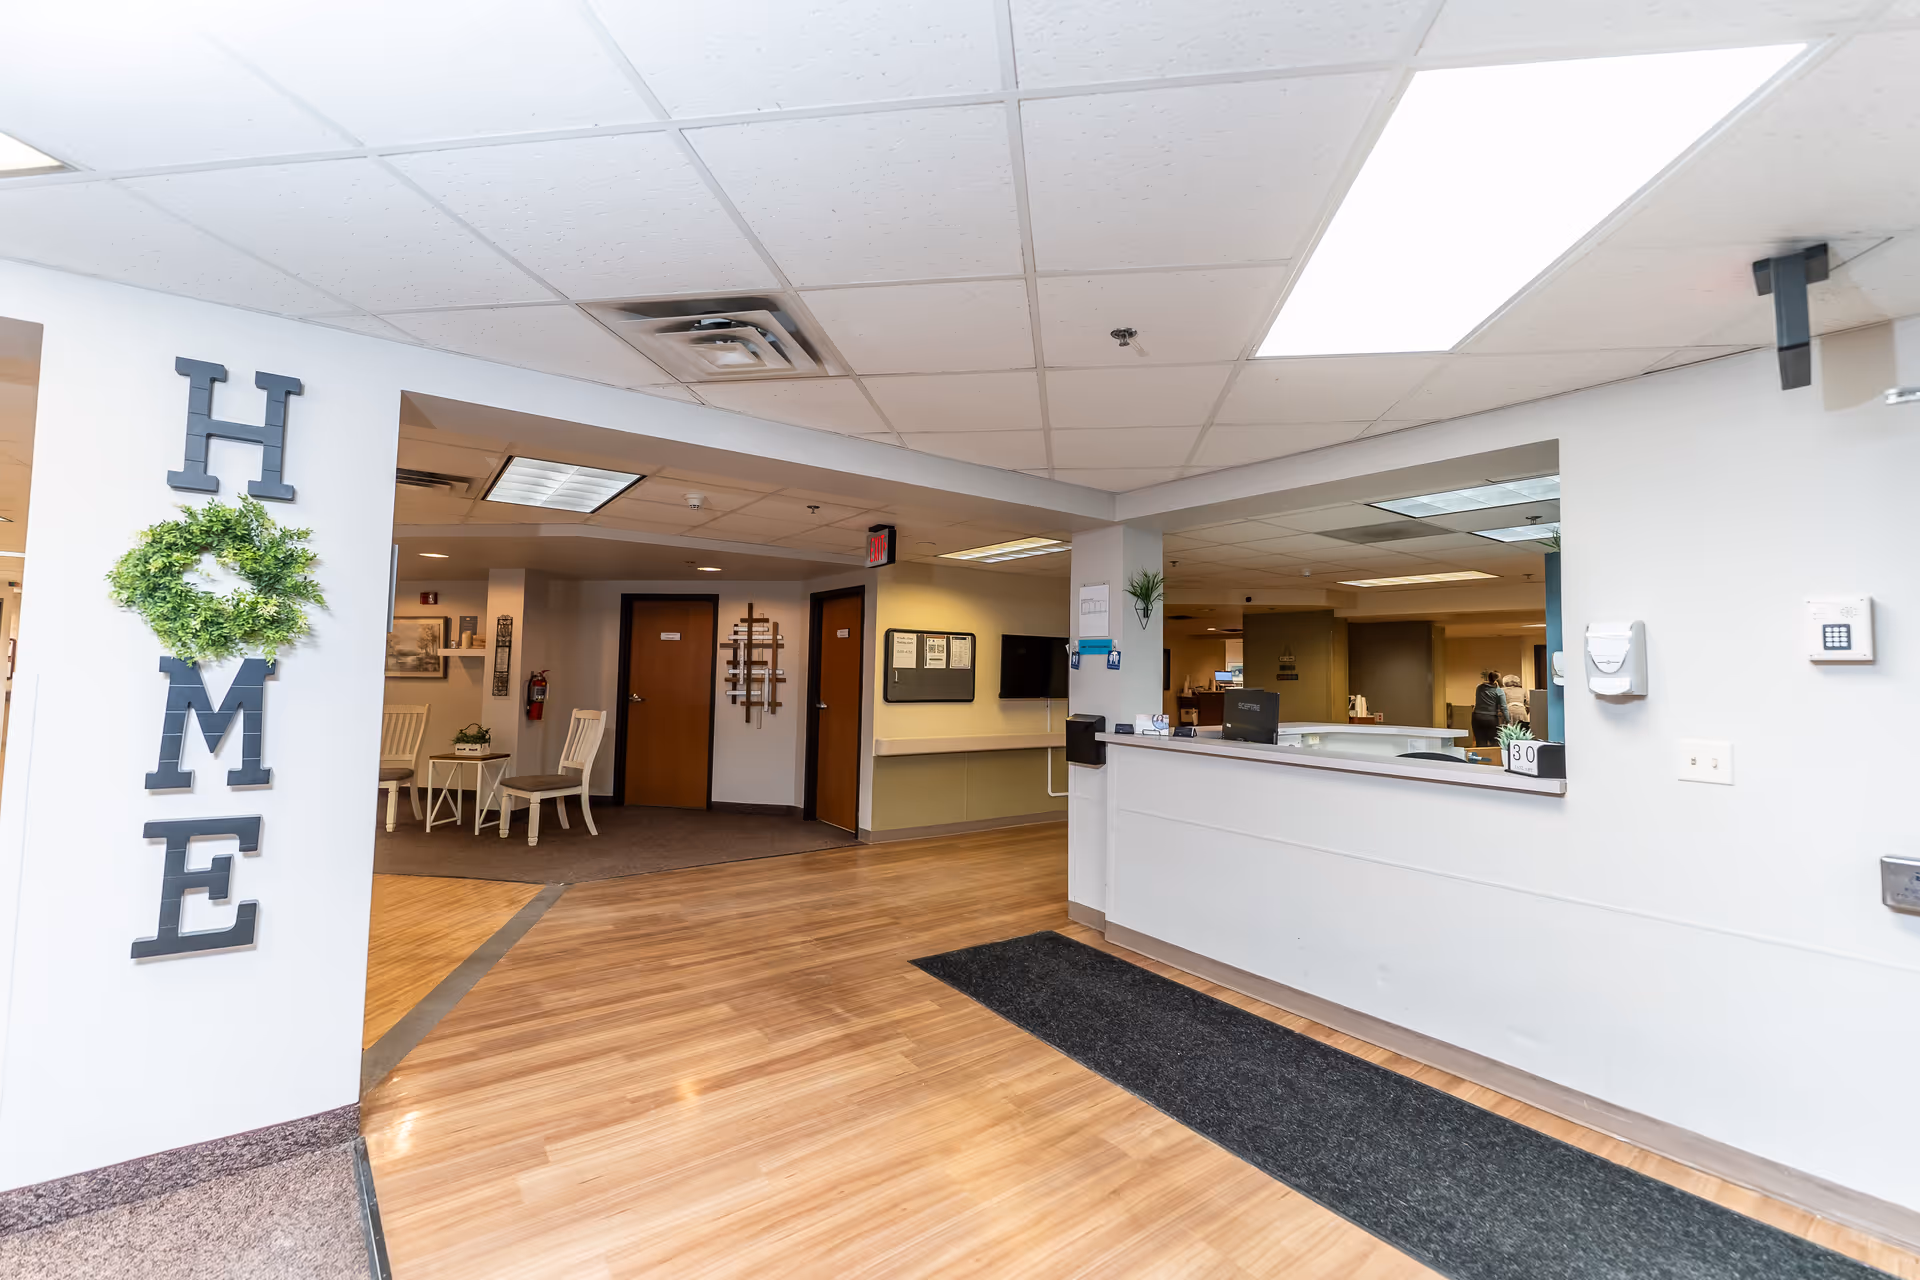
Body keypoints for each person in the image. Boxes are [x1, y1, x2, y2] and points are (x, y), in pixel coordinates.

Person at [1472, 671, 1508, 746]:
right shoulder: (1499, 691)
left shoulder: (1479, 688)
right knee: (1493, 742)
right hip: (1491, 718)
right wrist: (1508, 720)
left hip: (1477, 717)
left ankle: (1481, 756)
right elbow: (1503, 707)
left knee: (1480, 741)